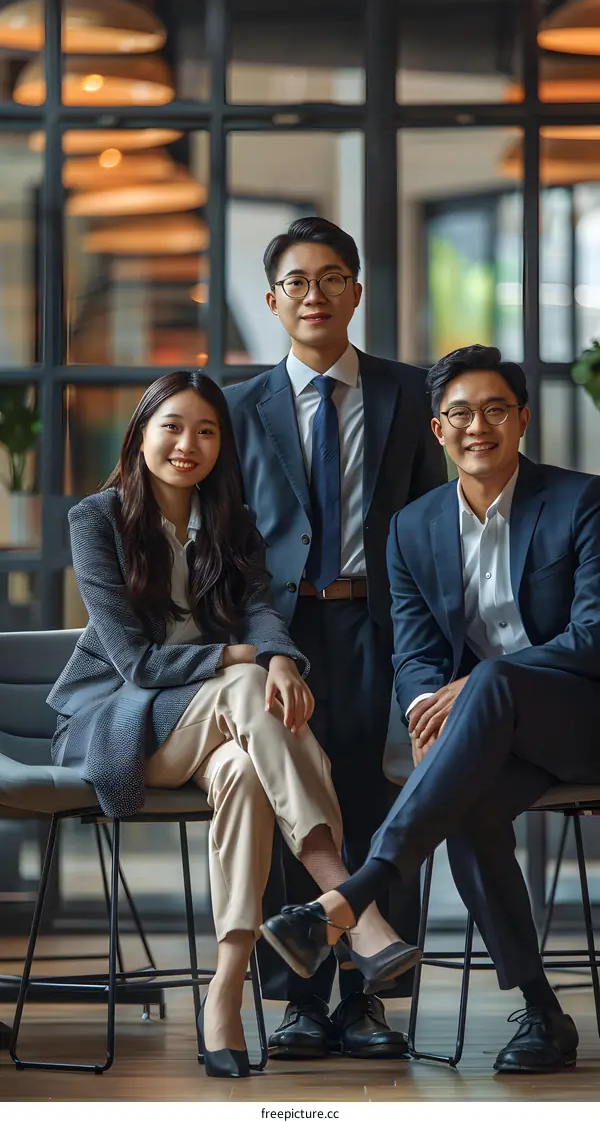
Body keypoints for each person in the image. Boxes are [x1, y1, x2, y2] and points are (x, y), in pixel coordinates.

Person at [47, 370, 419, 1079]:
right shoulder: (96, 519)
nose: (187, 444)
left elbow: (259, 609)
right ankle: (350, 905)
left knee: (248, 770)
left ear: (223, 445)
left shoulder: (230, 519)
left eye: (206, 431)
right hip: (123, 725)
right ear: (141, 433)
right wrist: (248, 659)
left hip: (220, 730)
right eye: (172, 426)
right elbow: (136, 663)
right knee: (247, 682)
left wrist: (277, 656)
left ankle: (223, 994)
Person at [260, 343, 600, 1074]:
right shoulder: (412, 527)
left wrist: (475, 689)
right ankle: (543, 1014)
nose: (479, 427)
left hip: (580, 721)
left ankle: (353, 894)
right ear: (439, 430)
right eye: (461, 414)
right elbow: (414, 655)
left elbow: (593, 635)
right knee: (467, 801)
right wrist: (426, 713)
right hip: (493, 737)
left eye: (496, 410)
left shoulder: (582, 501)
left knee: (492, 680)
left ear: (523, 420)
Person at [223, 217, 447, 1059]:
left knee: (379, 800)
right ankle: (299, 1002)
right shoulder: (236, 407)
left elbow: (432, 526)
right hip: (281, 626)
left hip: (383, 620)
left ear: (355, 291)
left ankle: (369, 1000)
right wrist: (264, 640)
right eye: (296, 282)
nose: (313, 295)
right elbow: (233, 546)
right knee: (292, 801)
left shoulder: (409, 394)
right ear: (273, 300)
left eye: (330, 278)